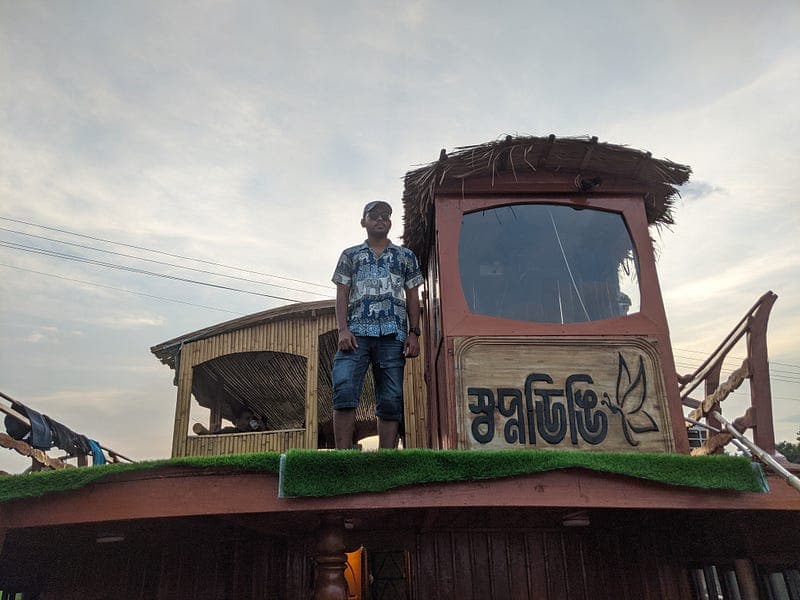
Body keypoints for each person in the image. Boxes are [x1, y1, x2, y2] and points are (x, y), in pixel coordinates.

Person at [331, 200, 424, 449]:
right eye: (374, 216)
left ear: (390, 222)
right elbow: (341, 294)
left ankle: (385, 458)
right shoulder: (350, 255)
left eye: (385, 215)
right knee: (344, 387)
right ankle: (342, 456)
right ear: (364, 222)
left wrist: (414, 333)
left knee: (391, 397)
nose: (380, 219)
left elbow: (413, 297)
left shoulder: (406, 256)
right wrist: (343, 329)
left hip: (393, 336)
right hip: (355, 335)